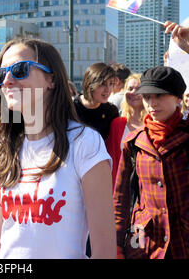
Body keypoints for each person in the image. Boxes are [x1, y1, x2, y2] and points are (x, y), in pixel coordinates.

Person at [0, 38, 116, 259]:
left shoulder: (84, 142)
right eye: (1, 74)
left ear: (51, 79)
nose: (6, 80)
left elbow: (104, 251)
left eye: (19, 70)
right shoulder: (3, 150)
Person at [114, 66, 189, 259]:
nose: (152, 103)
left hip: (183, 241)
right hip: (145, 244)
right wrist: (117, 244)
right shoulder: (133, 142)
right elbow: (122, 197)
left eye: (159, 96)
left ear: (178, 98)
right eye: (147, 97)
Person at [105, 73, 147, 189]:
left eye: (138, 89)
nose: (133, 93)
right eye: (130, 89)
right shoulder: (117, 124)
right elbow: (112, 162)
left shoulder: (152, 123)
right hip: (123, 189)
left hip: (148, 189)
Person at [73, 63, 119, 140]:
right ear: (90, 84)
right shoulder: (71, 107)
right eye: (102, 84)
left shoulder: (111, 111)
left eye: (111, 84)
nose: (107, 89)